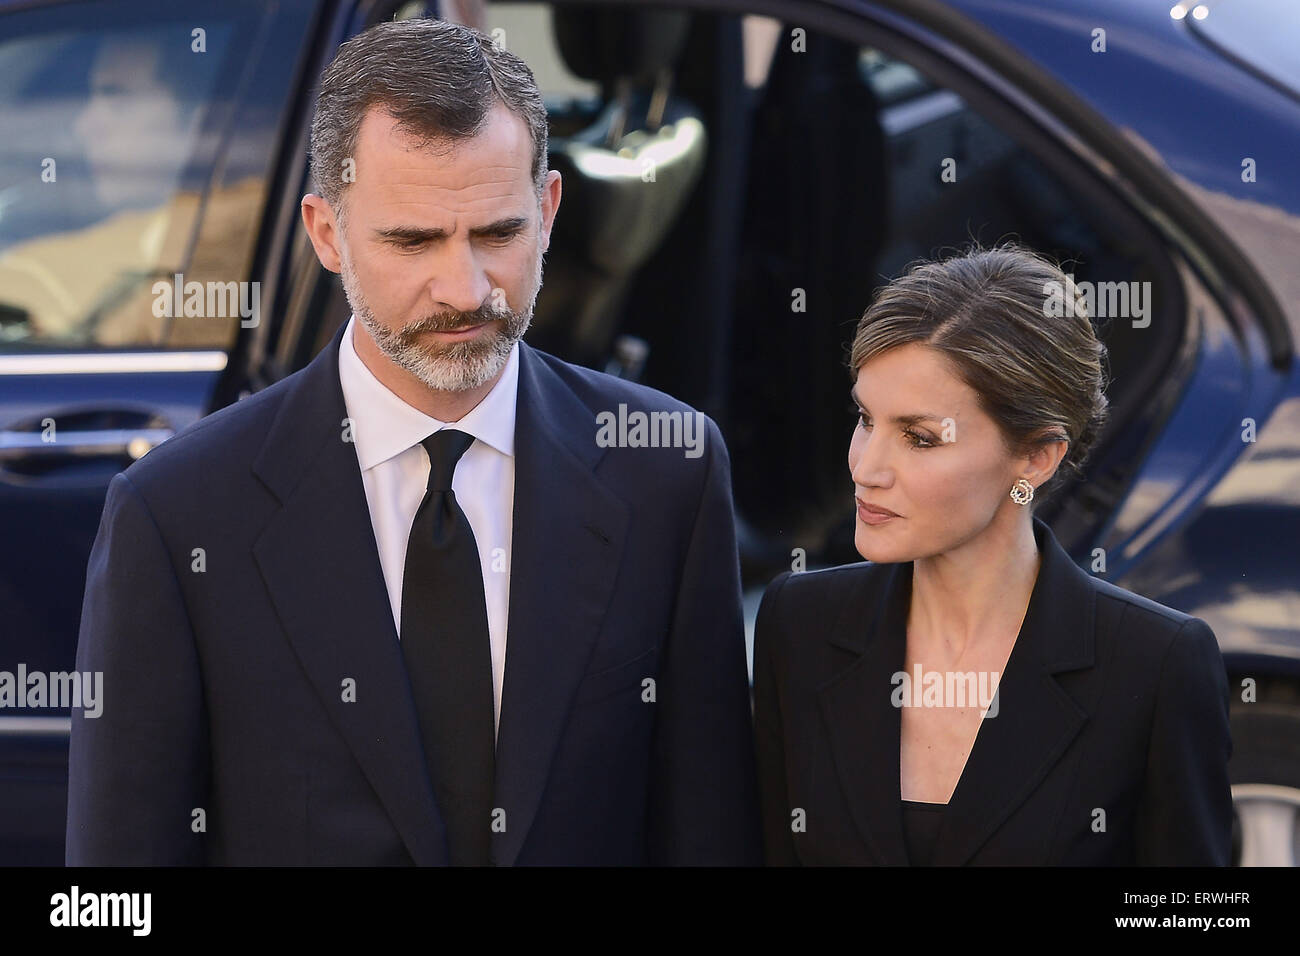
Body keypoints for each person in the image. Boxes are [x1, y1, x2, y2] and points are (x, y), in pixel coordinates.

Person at [66, 18, 760, 866]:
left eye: (498, 234)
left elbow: (708, 834)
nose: (464, 288)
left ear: (548, 211)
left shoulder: (670, 474)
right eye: (413, 240)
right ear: (326, 234)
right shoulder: (178, 516)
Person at [752, 244, 1233, 865]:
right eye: (866, 419)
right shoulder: (802, 623)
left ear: (1036, 457)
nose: (866, 468)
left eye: (919, 439)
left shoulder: (1155, 665)